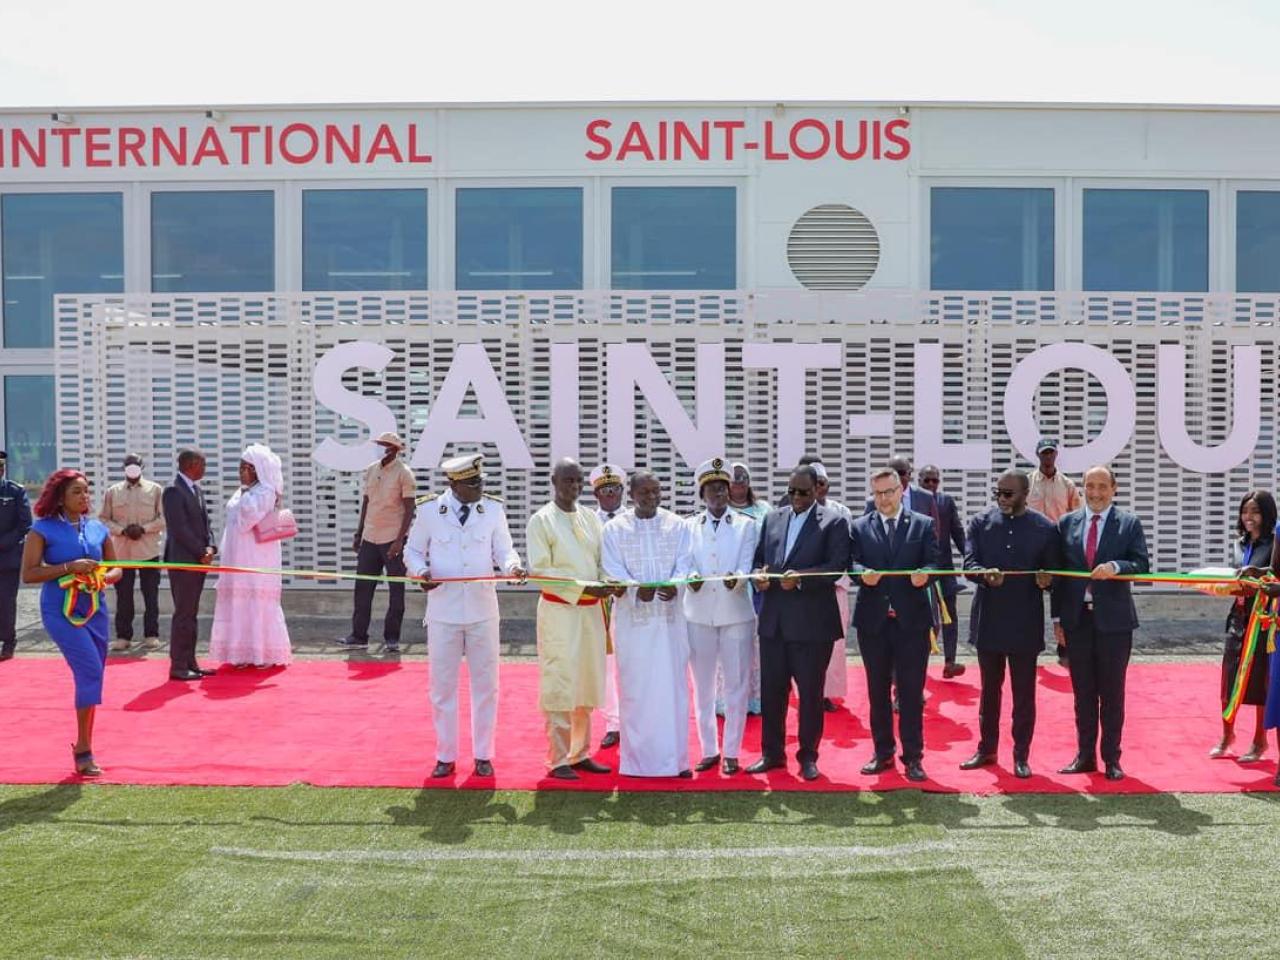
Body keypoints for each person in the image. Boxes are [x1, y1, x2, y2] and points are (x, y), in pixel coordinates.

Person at [405, 454, 526, 779]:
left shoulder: (493, 510)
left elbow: (504, 549)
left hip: (482, 610)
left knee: (486, 685)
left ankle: (483, 754)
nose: (480, 487)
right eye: (473, 483)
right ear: (453, 484)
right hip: (444, 610)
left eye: (481, 481)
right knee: (443, 687)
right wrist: (421, 571)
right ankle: (445, 754)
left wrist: (513, 567)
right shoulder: (430, 510)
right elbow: (413, 550)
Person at [749, 464, 850, 781]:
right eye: (791, 491)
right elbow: (757, 559)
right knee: (772, 693)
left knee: (810, 695)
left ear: (818, 489)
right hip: (774, 622)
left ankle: (808, 757)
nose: (795, 498)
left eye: (803, 492)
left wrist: (803, 580)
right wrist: (759, 577)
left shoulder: (834, 522)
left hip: (812, 625)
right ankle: (772, 754)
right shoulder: (773, 518)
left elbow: (837, 566)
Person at [1051, 464, 1150, 781]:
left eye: (1102, 486)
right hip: (1078, 622)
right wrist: (1058, 618)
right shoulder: (1067, 524)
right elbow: (1059, 577)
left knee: (1112, 693)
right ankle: (1084, 756)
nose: (1095, 493)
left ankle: (1112, 758)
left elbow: (1142, 565)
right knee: (1082, 693)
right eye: (1089, 486)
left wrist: (1117, 567)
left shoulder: (1128, 524)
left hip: (1115, 624)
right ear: (1082, 488)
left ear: (1114, 489)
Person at [21, 469, 122, 776]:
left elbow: (116, 569)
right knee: (90, 670)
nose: (84, 496)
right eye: (77, 491)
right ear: (60, 496)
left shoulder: (97, 529)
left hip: (95, 610)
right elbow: (30, 574)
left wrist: (101, 578)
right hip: (60, 612)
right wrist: (68, 567)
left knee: (93, 675)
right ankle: (84, 748)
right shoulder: (42, 530)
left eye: (86, 490)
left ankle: (84, 743)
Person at [960, 469, 1059, 779]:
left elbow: (1053, 573)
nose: (1001, 499)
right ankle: (986, 748)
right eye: (997, 493)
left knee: (1024, 693)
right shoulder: (980, 523)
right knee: (990, 690)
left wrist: (1047, 581)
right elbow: (968, 564)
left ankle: (1021, 755)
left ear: (1025, 494)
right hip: (989, 619)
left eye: (1007, 494)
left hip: (1025, 623)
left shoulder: (1044, 528)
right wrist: (983, 574)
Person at [526, 458, 616, 781]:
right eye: (568, 481)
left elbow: (602, 562)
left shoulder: (591, 518)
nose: (574, 488)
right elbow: (540, 570)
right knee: (560, 682)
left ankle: (580, 753)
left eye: (578, 481)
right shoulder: (541, 521)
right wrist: (581, 588)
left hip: (591, 612)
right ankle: (557, 758)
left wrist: (607, 582)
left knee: (586, 681)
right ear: (554, 481)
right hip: (559, 612)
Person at [850, 466, 941, 782]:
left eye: (889, 492)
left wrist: (925, 574)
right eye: (878, 493)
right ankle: (883, 753)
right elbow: (852, 563)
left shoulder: (923, 524)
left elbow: (935, 561)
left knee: (911, 693)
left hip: (911, 622)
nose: (884, 499)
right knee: (876, 691)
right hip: (873, 623)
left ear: (902, 490)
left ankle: (913, 757)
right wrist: (861, 572)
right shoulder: (860, 526)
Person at [602, 470, 694, 778]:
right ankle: (637, 763)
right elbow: (611, 568)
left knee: (674, 689)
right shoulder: (615, 529)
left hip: (670, 623)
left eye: (656, 492)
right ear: (632, 495)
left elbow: (686, 562)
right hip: (633, 623)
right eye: (645, 493)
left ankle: (677, 761)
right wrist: (631, 587)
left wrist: (676, 584)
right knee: (636, 690)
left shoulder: (678, 525)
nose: (651, 498)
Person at [684, 458, 759, 775]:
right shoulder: (688, 526)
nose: (718, 493)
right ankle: (709, 748)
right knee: (702, 687)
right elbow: (683, 562)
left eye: (722, 487)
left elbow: (747, 562)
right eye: (712, 488)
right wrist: (690, 576)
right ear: (702, 494)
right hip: (699, 613)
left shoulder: (746, 524)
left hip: (736, 612)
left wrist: (738, 578)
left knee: (736, 685)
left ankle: (732, 751)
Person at [208, 444, 292, 668]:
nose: (242, 471)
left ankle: (262, 653)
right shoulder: (243, 490)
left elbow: (247, 520)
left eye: (247, 467)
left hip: (257, 557)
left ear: (258, 470)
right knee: (238, 604)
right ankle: (241, 653)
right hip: (238, 556)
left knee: (257, 602)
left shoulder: (266, 491)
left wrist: (245, 493)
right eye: (241, 466)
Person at [1208, 490, 1276, 761]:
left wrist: (1255, 581)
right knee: (1229, 680)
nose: (1249, 517)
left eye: (1255, 512)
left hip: (1262, 621)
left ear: (1267, 514)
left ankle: (1260, 741)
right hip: (1237, 619)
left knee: (1260, 682)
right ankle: (1227, 735)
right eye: (1245, 511)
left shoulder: (1275, 545)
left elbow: (1272, 578)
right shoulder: (1239, 544)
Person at [340, 431, 415, 653]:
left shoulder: (404, 474)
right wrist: (358, 533)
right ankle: (358, 636)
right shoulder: (372, 470)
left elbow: (410, 508)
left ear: (393, 449)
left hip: (392, 539)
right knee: (362, 588)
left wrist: (400, 541)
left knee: (396, 591)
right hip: (369, 538)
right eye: (379, 444)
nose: (379, 448)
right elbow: (366, 503)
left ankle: (392, 638)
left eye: (383, 445)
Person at [100, 453, 165, 653]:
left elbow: (164, 518)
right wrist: (122, 530)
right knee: (123, 595)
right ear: (124, 467)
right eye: (128, 464)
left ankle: (151, 634)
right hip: (122, 552)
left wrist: (144, 529)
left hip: (148, 551)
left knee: (151, 595)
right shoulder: (113, 491)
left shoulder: (155, 490)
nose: (132, 467)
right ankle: (123, 636)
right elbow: (104, 519)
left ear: (141, 466)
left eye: (135, 464)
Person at [162, 449, 217, 681]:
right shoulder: (174, 490)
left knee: (191, 614)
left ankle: (191, 662)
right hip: (183, 560)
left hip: (198, 560)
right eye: (203, 464)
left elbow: (206, 525)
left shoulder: (196, 490)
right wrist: (199, 550)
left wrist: (211, 547)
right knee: (183, 614)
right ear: (192, 464)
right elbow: (179, 528)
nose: (205, 468)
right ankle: (178, 666)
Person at [1028, 438, 1082, 667]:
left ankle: (1063, 649)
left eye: (1051, 453)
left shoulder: (1068, 485)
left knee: (1060, 599)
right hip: (1032, 546)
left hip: (1058, 547)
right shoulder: (1027, 482)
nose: (1047, 457)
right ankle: (1030, 646)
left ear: (1056, 455)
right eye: (1044, 453)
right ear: (1038, 455)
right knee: (1028, 598)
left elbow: (1077, 515)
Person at [809, 461, 854, 712]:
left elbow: (847, 549)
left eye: (822, 483)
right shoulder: (796, 512)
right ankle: (810, 690)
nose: (818, 489)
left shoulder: (841, 512)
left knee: (835, 645)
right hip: (807, 589)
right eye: (813, 484)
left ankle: (827, 693)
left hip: (835, 587)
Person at [588, 462, 626, 750]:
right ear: (596, 494)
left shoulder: (632, 519)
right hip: (600, 602)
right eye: (604, 490)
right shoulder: (588, 522)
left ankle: (635, 719)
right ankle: (613, 722)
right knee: (607, 665)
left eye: (614, 489)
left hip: (631, 600)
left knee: (634, 663)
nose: (610, 494)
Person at [917, 464, 968, 678]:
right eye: (926, 480)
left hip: (945, 568)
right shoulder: (913, 502)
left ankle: (950, 662)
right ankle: (919, 663)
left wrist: (971, 557)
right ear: (918, 480)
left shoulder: (946, 502)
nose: (930, 484)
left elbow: (957, 531)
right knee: (923, 618)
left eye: (934, 480)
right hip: (921, 570)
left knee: (950, 616)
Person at [727, 462, 768, 715]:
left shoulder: (764, 510)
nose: (739, 483)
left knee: (758, 645)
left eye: (743, 478)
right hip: (731, 587)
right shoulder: (720, 509)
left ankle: (757, 699)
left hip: (759, 586)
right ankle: (728, 700)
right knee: (731, 646)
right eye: (734, 479)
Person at [0, 451, 32, 661]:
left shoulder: (15, 491)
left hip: (6, 557)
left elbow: (25, 524)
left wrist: (4, 542)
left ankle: (8, 642)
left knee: (5, 602)